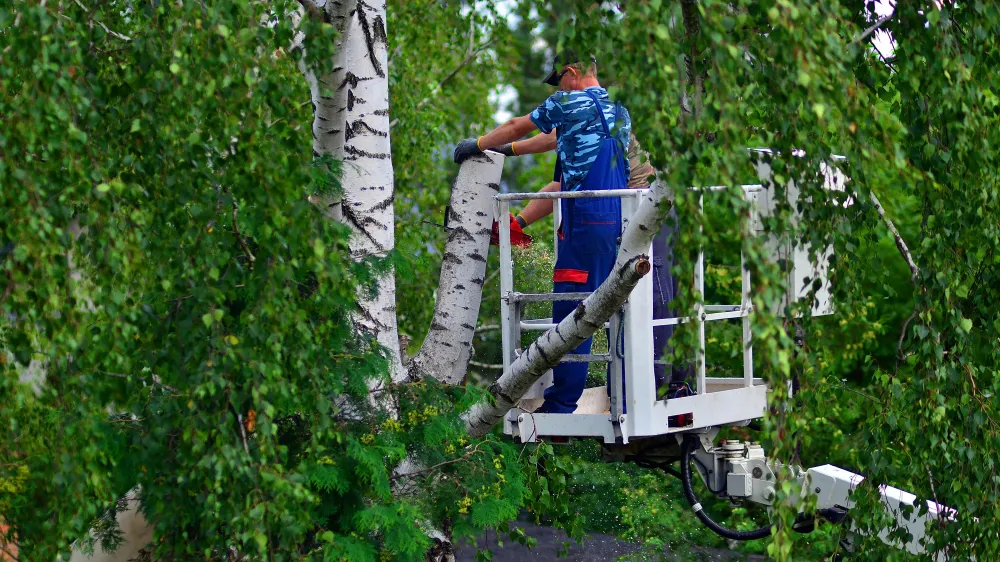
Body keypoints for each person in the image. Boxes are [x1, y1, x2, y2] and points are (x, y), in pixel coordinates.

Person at [454, 51, 631, 414]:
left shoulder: (568, 102)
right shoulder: (617, 109)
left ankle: (561, 406)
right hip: (620, 219)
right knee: (614, 306)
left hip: (585, 223)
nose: (557, 88)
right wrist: (509, 151)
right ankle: (626, 395)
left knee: (572, 310)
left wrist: (481, 144)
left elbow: (519, 124)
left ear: (571, 72)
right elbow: (553, 141)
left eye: (559, 80)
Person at [484, 129, 687, 395]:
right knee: (621, 305)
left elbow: (549, 136)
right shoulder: (577, 141)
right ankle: (626, 394)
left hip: (647, 211)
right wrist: (519, 223)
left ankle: (665, 389)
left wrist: (498, 147)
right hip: (622, 217)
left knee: (655, 302)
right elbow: (560, 187)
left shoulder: (594, 116)